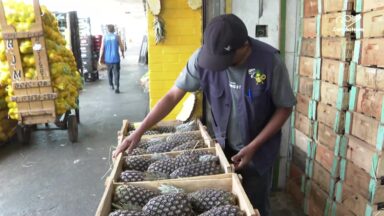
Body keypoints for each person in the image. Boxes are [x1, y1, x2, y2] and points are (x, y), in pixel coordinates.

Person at [113, 14, 296, 216]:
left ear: (244, 46)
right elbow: (173, 96)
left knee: (255, 205)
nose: (218, 65)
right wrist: (139, 132)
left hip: (258, 153)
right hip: (221, 149)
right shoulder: (202, 58)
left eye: (225, 59)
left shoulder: (270, 62)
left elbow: (284, 107)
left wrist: (253, 146)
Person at [99, 24, 125, 93]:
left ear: (107, 30)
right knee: (116, 73)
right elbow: (121, 47)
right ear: (113, 29)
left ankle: (111, 85)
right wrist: (123, 54)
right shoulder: (117, 37)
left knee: (109, 72)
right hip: (116, 58)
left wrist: (100, 58)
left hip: (108, 59)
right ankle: (117, 87)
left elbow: (102, 48)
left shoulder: (104, 37)